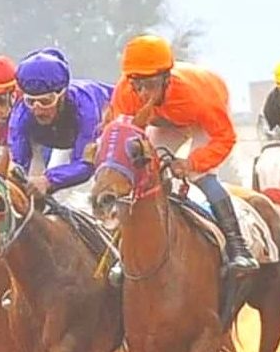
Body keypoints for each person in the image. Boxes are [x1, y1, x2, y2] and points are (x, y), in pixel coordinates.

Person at [110, 34, 258, 276]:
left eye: (151, 84)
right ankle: (124, 249)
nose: (143, 93)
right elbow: (125, 137)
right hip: (164, 121)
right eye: (138, 85)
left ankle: (238, 247)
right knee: (139, 172)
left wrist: (190, 163)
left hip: (202, 118)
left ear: (166, 79)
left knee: (200, 175)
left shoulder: (198, 96)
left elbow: (225, 138)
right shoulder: (125, 92)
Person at [8, 48, 112, 201]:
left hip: (104, 128)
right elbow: (17, 165)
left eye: (46, 101)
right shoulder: (21, 114)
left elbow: (86, 164)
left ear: (62, 95)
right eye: (31, 101)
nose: (37, 110)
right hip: (62, 138)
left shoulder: (86, 109)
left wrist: (48, 180)